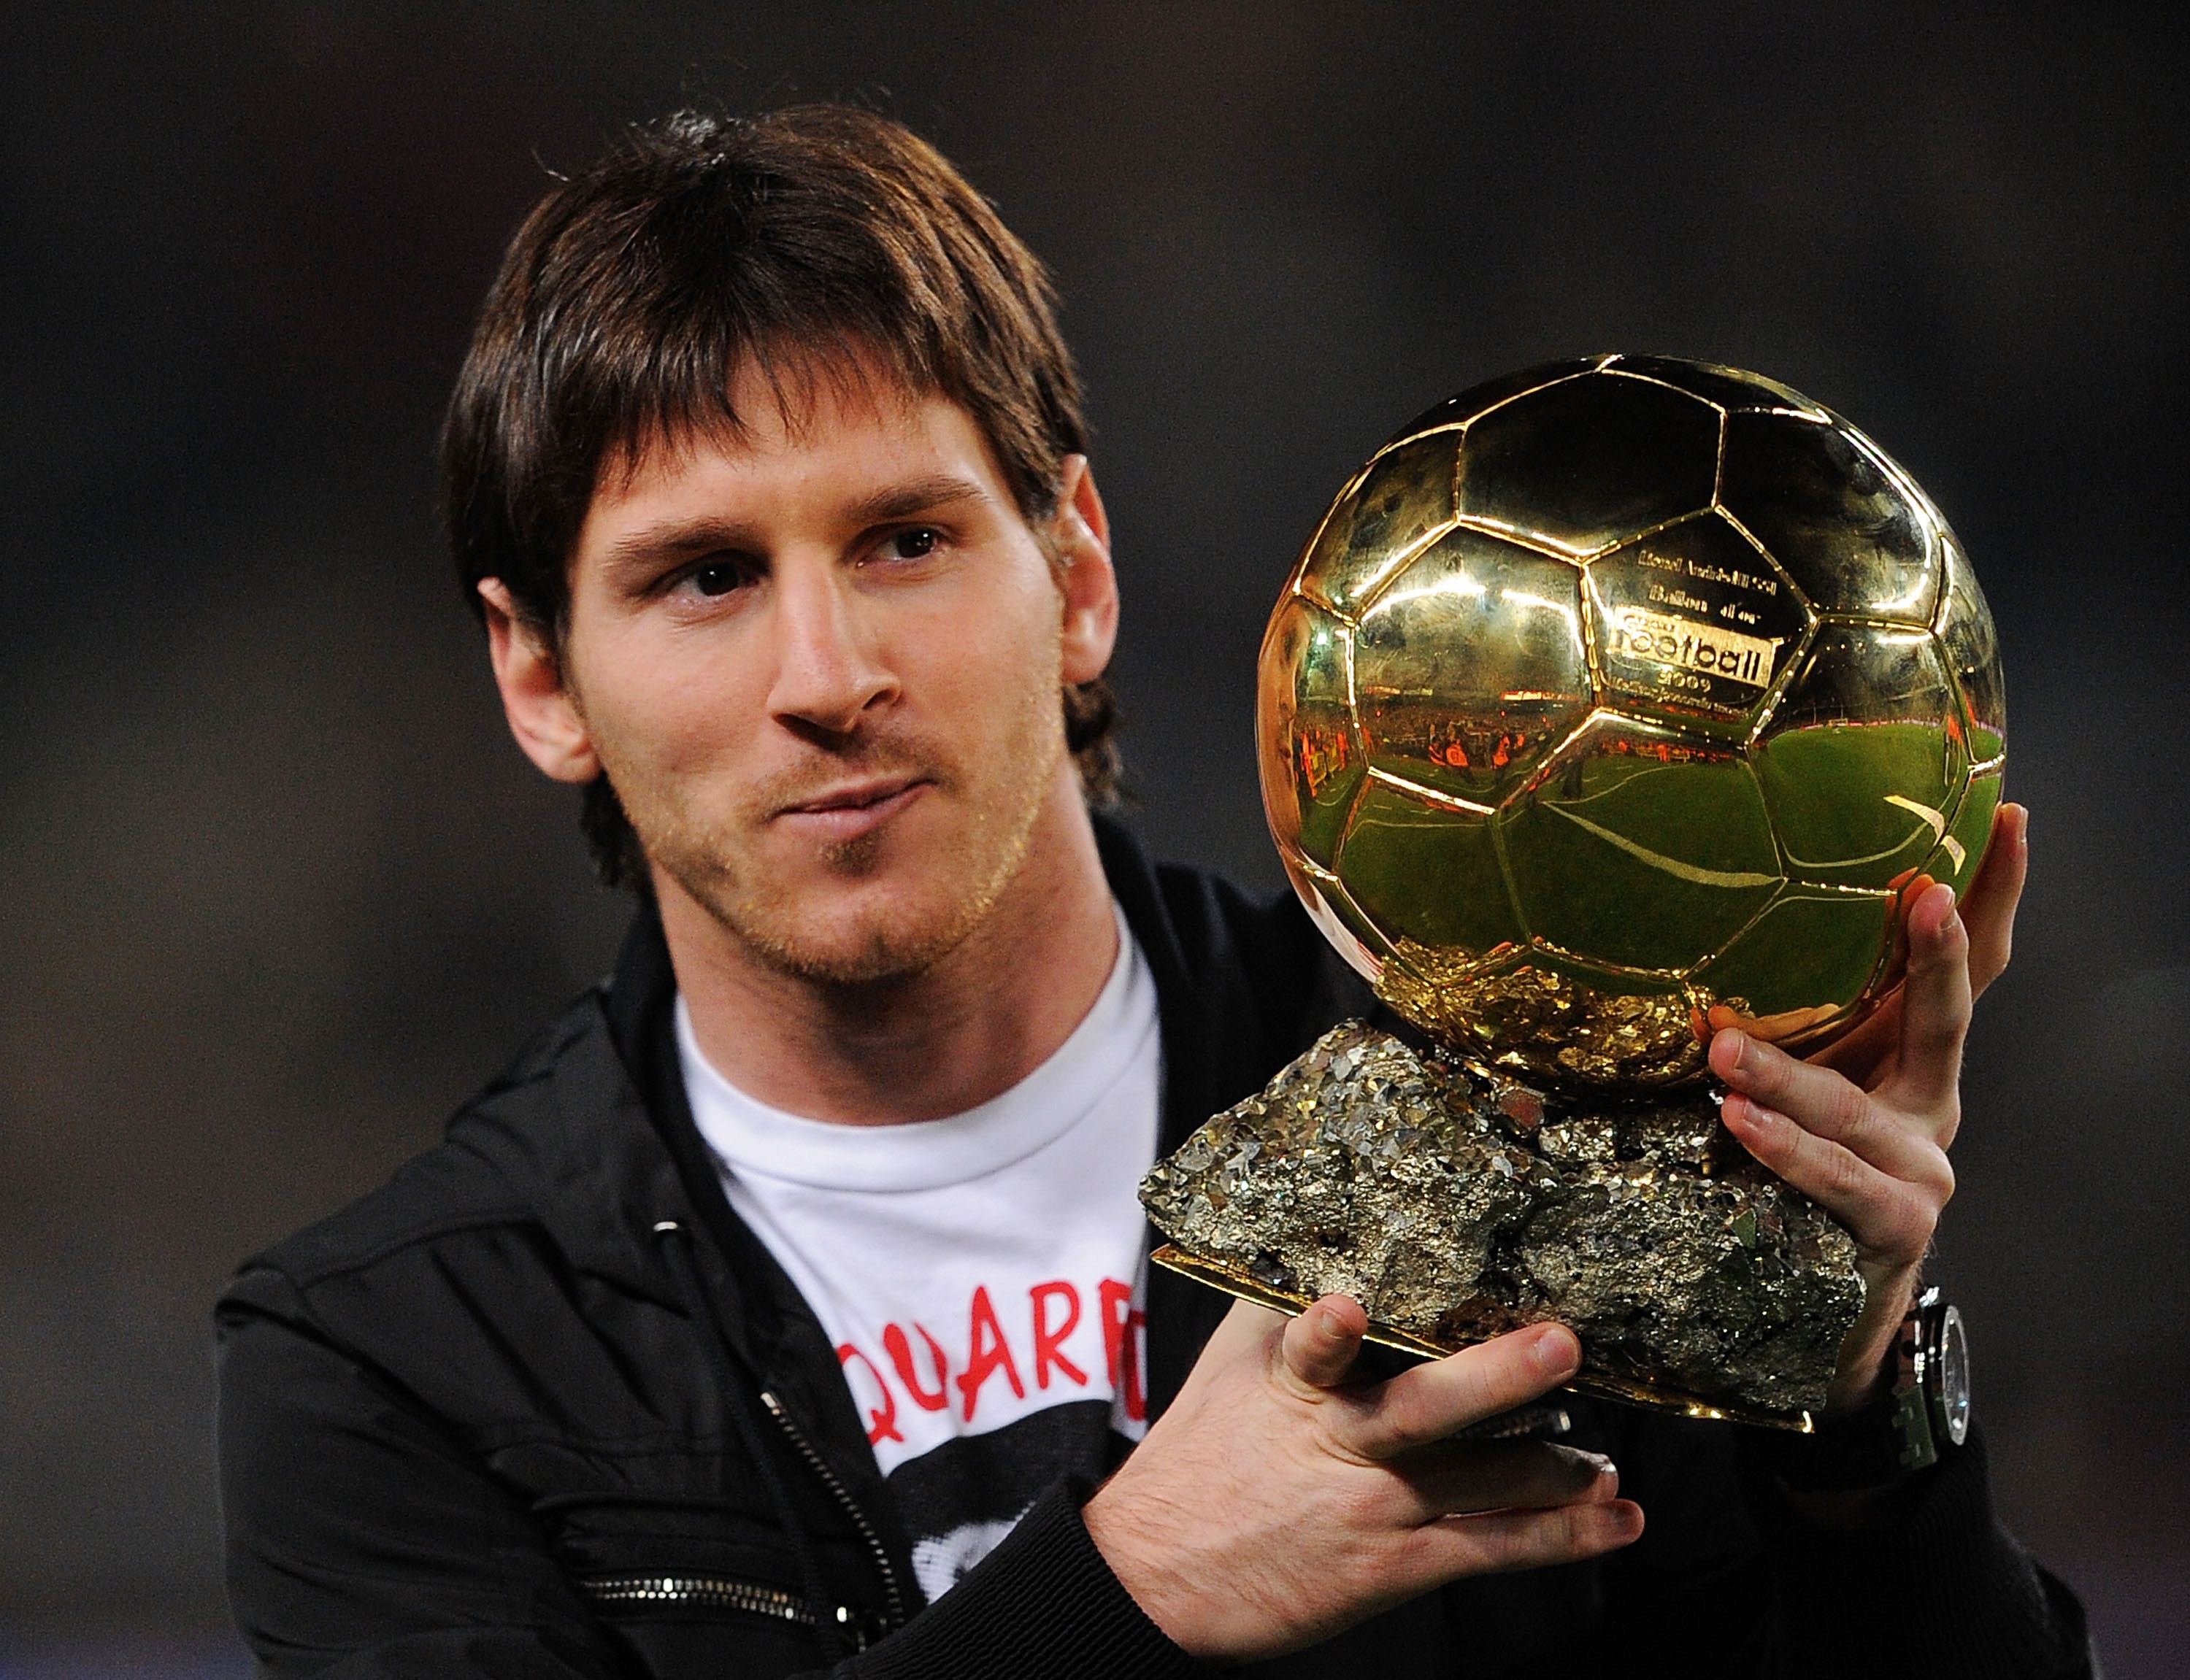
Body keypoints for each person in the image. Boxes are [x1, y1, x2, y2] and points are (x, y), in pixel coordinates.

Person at [215, 106, 2093, 1679]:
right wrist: (1126, 1588)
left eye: (905, 538)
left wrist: (1857, 1413)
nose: (828, 672)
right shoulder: (401, 1357)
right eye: (704, 576)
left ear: (1079, 571)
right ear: (540, 676)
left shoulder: (1539, 1117)